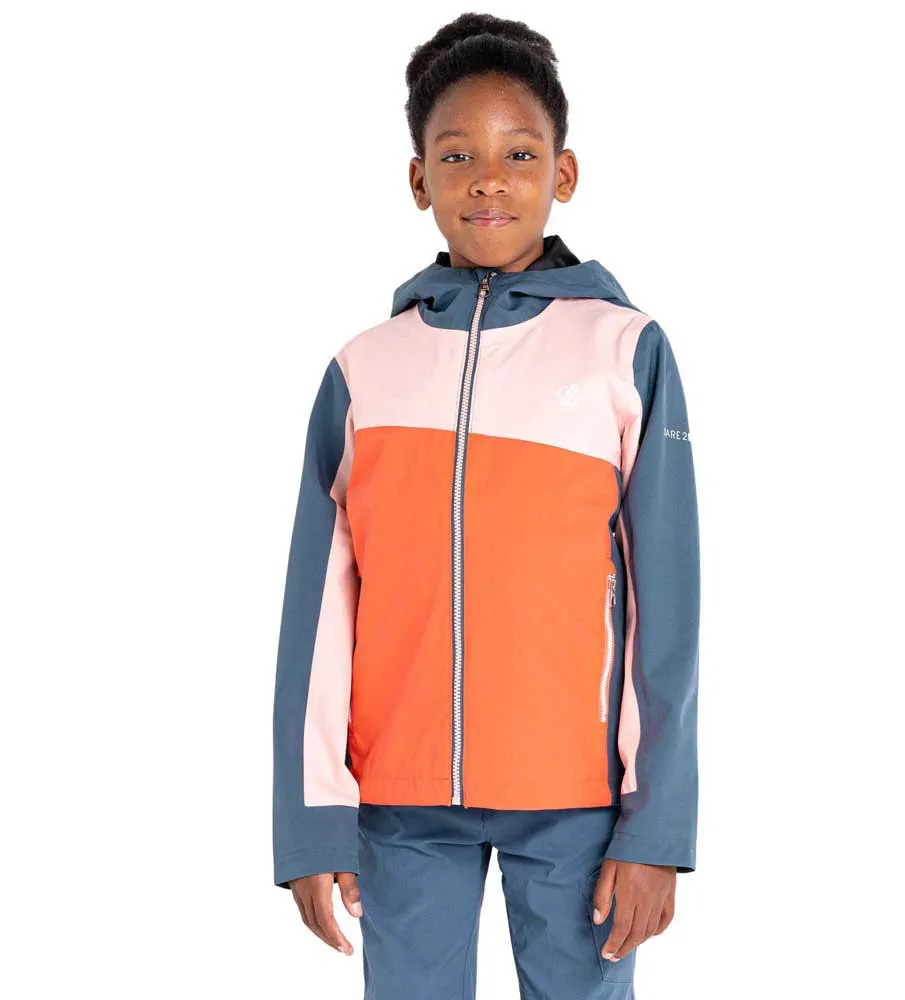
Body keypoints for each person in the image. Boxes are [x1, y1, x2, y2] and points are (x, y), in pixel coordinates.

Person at [271, 12, 700, 999]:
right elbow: (318, 612)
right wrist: (311, 819)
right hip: (399, 795)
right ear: (419, 178)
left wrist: (657, 824)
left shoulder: (624, 350)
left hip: (578, 796)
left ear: (564, 173)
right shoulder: (364, 369)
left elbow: (668, 606)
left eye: (520, 153)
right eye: (457, 154)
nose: (488, 180)